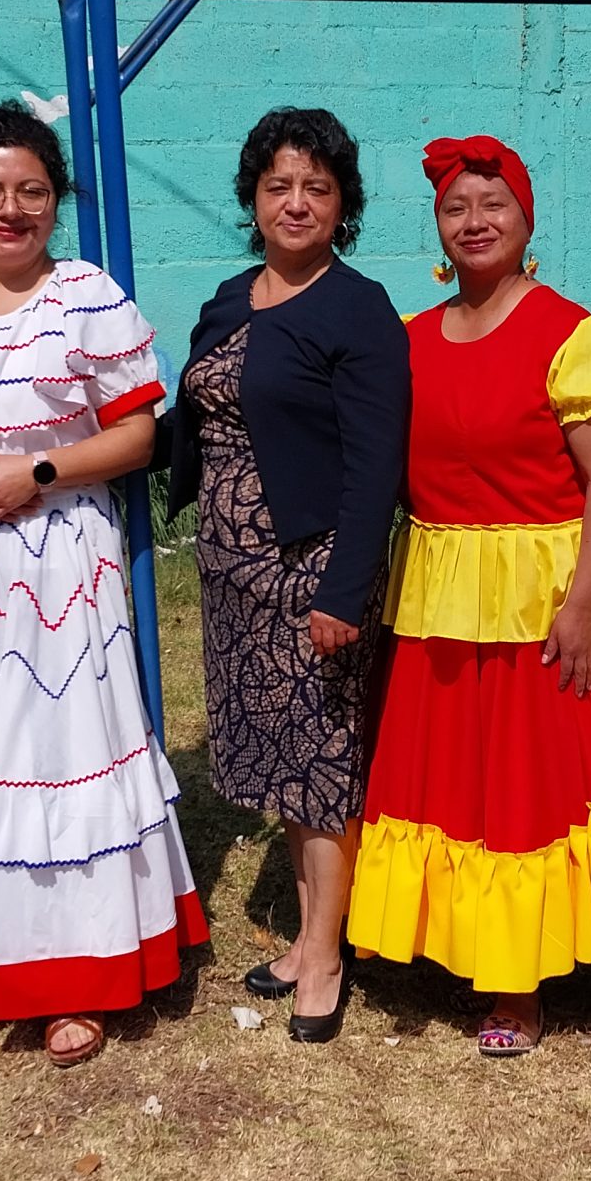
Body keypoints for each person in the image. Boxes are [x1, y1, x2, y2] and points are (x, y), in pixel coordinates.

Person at [0, 103, 202, 1069]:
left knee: (50, 748)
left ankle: (72, 970)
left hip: (54, 554)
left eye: (30, 193)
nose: (8, 211)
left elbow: (139, 432)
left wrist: (36, 473)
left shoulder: (87, 295)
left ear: (55, 201)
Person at [346, 134, 591, 1056]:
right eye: (455, 208)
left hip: (538, 596)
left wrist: (583, 602)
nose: (475, 222)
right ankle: (449, 946)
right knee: (449, 779)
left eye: (494, 204)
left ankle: (519, 987)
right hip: (441, 592)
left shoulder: (570, 335)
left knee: (524, 787)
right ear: (437, 228)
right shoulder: (407, 341)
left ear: (526, 220)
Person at [169, 107, 409, 1043]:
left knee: (322, 767)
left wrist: (343, 593)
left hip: (309, 579)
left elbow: (374, 467)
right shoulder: (232, 298)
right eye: (278, 185)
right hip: (230, 577)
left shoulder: (358, 308)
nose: (296, 201)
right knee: (279, 764)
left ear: (342, 203)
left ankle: (324, 952)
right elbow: (194, 417)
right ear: (253, 198)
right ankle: (310, 935)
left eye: (317, 186)